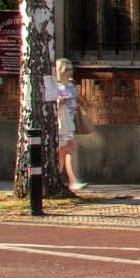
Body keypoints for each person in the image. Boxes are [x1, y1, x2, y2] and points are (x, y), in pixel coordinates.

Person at [52, 58, 87, 192]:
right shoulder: (56, 86)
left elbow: (74, 101)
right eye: (67, 69)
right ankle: (73, 180)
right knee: (71, 149)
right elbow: (52, 104)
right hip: (61, 122)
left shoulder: (70, 86)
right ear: (60, 71)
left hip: (69, 120)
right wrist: (60, 102)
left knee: (62, 152)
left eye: (71, 69)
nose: (70, 72)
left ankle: (56, 179)